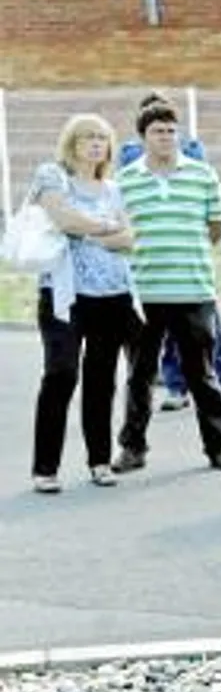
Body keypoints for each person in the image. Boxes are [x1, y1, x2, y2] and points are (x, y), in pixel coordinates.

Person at [112, 100, 221, 475]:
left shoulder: (203, 175)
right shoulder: (125, 181)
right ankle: (132, 448)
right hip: (143, 294)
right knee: (140, 374)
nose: (167, 137)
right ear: (143, 138)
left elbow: (216, 229)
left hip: (193, 290)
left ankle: (220, 446)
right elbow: (118, 230)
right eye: (158, 131)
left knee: (201, 372)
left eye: (172, 130)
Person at [28, 114, 140, 493]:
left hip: (111, 294)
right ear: (72, 143)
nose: (96, 144)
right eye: (87, 137)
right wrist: (105, 228)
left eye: (102, 138)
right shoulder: (52, 177)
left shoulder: (113, 188)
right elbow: (63, 219)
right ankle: (45, 468)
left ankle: (99, 460)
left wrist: (90, 230)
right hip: (65, 296)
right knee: (61, 374)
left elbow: (130, 240)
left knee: (101, 380)